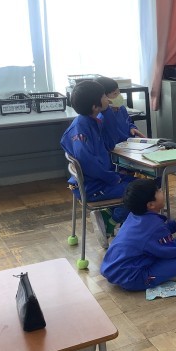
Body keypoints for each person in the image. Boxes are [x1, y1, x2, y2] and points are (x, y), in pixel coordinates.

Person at [61, 80, 136, 247]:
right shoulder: (81, 129)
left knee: (149, 185)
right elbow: (86, 162)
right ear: (95, 106)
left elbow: (111, 143)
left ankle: (111, 214)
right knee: (143, 192)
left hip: (100, 180)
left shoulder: (94, 120)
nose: (108, 98)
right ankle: (112, 220)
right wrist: (112, 178)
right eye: (104, 96)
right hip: (93, 187)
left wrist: (107, 111)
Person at [100, 179, 176, 291]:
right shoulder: (154, 225)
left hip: (113, 269)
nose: (162, 191)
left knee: (156, 252)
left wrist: (175, 224)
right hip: (132, 278)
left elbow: (152, 236)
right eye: (158, 191)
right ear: (151, 205)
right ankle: (146, 280)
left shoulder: (134, 215)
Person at [95, 76, 145, 144]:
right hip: (116, 146)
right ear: (104, 97)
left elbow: (128, 122)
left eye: (119, 92)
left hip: (129, 143)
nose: (119, 96)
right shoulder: (102, 115)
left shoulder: (122, 108)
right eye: (115, 94)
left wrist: (132, 128)